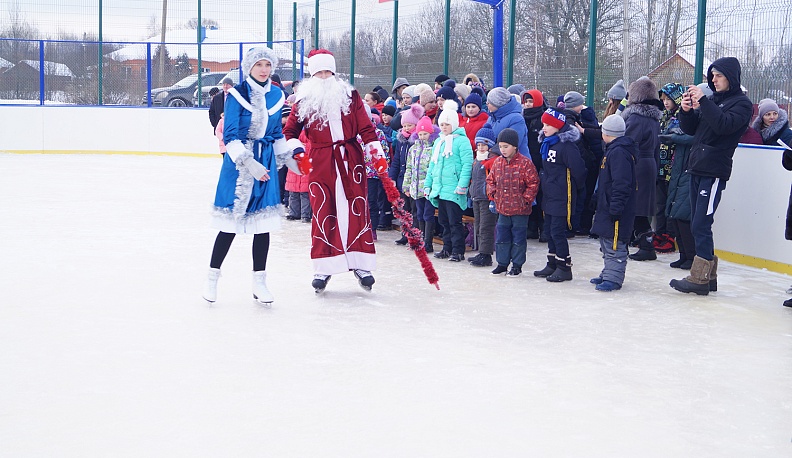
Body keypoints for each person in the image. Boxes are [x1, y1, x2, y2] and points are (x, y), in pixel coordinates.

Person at [283, 49, 389, 293]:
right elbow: (288, 133)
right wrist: (299, 152)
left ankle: (361, 264)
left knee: (356, 209)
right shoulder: (303, 100)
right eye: (318, 72)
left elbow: (366, 128)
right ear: (312, 74)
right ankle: (323, 267)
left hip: (351, 159)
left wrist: (376, 154)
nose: (324, 76)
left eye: (327, 71)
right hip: (321, 160)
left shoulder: (349, 95)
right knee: (324, 210)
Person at [202, 47, 291, 306]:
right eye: (258, 64)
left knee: (262, 227)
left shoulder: (276, 94)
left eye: (267, 64)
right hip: (239, 166)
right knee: (229, 225)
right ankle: (212, 278)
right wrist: (248, 163)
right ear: (249, 67)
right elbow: (229, 135)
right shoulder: (237, 95)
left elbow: (276, 132)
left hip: (265, 162)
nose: (264, 69)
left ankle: (259, 282)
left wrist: (287, 157)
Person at [670, 57, 753, 295]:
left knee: (700, 223)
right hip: (697, 166)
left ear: (731, 77)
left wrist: (704, 101)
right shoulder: (715, 101)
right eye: (711, 76)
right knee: (699, 222)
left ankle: (700, 278)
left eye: (718, 76)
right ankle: (709, 277)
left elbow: (723, 126)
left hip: (714, 171)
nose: (713, 80)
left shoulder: (742, 105)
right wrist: (686, 111)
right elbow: (692, 129)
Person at [532, 108, 586, 282]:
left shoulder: (567, 147)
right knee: (549, 230)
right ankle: (552, 263)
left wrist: (572, 190)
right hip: (549, 194)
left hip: (563, 196)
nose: (544, 128)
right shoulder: (548, 143)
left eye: (548, 124)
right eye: (543, 124)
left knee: (557, 231)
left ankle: (564, 267)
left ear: (557, 125)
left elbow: (579, 171)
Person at [590, 115, 637, 291]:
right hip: (607, 204)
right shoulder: (612, 150)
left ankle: (614, 278)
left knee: (614, 241)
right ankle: (608, 272)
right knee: (606, 240)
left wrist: (616, 206)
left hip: (617, 207)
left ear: (606, 133)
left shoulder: (619, 152)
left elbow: (622, 183)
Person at [424, 100, 474, 262]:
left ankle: (458, 250)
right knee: (444, 221)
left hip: (453, 188)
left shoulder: (462, 141)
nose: (444, 127)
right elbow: (433, 165)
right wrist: (428, 184)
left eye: (447, 124)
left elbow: (467, 164)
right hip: (440, 188)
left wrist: (462, 185)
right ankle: (447, 248)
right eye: (442, 124)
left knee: (455, 222)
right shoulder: (438, 142)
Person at [486, 128, 540, 277]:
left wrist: (526, 199)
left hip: (520, 210)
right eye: (501, 146)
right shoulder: (497, 163)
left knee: (518, 239)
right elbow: (490, 180)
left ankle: (517, 265)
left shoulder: (525, 163)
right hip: (502, 209)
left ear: (515, 146)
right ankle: (502, 264)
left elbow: (533, 183)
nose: (503, 150)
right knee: (502, 238)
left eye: (506, 146)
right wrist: (493, 194)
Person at [621, 77, 663, 261]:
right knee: (640, 206)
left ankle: (645, 244)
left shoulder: (636, 118)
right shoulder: (653, 118)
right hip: (648, 164)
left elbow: (628, 143)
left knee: (634, 205)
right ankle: (642, 242)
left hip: (637, 164)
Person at [660, 83, 696, 270]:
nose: (666, 103)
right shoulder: (670, 118)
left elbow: (694, 137)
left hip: (690, 170)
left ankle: (691, 256)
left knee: (683, 215)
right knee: (674, 213)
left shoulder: (699, 118)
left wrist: (673, 138)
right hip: (677, 167)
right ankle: (684, 254)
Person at [403, 116, 440, 252]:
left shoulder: (433, 148)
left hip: (428, 189)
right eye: (420, 134)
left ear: (431, 133)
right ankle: (418, 240)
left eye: (425, 133)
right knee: (418, 214)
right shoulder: (413, 149)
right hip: (416, 188)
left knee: (428, 214)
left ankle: (428, 242)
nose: (423, 136)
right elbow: (409, 168)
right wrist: (406, 186)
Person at [389, 103, 424, 243]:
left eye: (409, 125)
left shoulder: (416, 142)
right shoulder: (401, 141)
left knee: (414, 209)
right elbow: (396, 160)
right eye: (404, 126)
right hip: (402, 180)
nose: (406, 128)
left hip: (414, 181)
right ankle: (406, 234)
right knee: (404, 209)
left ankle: (414, 234)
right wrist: (392, 177)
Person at [467, 126, 499, 267]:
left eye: (484, 145)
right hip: (477, 197)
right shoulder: (476, 160)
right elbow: (474, 179)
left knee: (486, 226)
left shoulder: (492, 161)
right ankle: (481, 252)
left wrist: (493, 198)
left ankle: (486, 254)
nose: (480, 148)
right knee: (479, 226)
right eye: (479, 145)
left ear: (490, 146)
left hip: (487, 199)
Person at [521, 89, 548, 240]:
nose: (528, 104)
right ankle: (531, 227)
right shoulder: (523, 118)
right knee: (529, 193)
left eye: (531, 101)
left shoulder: (543, 118)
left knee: (542, 194)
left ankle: (543, 227)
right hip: (528, 161)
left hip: (541, 161)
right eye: (526, 101)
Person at [485, 87, 530, 157]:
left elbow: (512, 143)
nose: (486, 104)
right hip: (495, 161)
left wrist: (490, 152)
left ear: (497, 104)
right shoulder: (491, 117)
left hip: (517, 163)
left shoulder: (516, 119)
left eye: (489, 102)